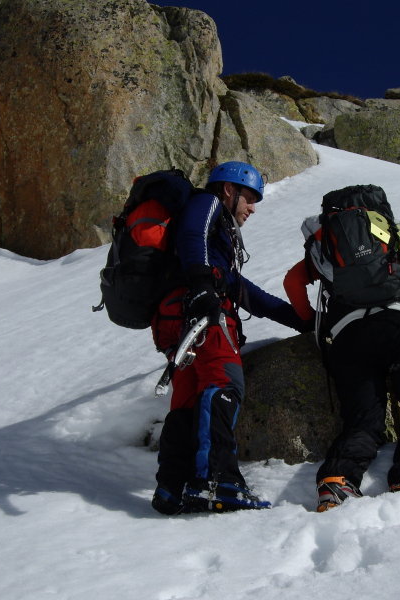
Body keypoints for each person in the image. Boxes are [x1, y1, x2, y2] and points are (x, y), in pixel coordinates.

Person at [283, 184, 400, 512]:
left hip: (349, 338)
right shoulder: (391, 234)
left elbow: (292, 282)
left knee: (362, 419)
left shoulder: (324, 241)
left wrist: (312, 321)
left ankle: (337, 480)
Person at [150, 161, 308, 515]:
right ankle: (218, 481)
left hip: (177, 317)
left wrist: (299, 321)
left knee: (187, 401)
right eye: (249, 198)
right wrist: (204, 288)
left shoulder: (214, 252)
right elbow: (193, 236)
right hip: (201, 313)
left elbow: (243, 291)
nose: (252, 208)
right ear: (228, 190)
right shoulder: (207, 206)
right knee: (225, 381)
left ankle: (172, 488)